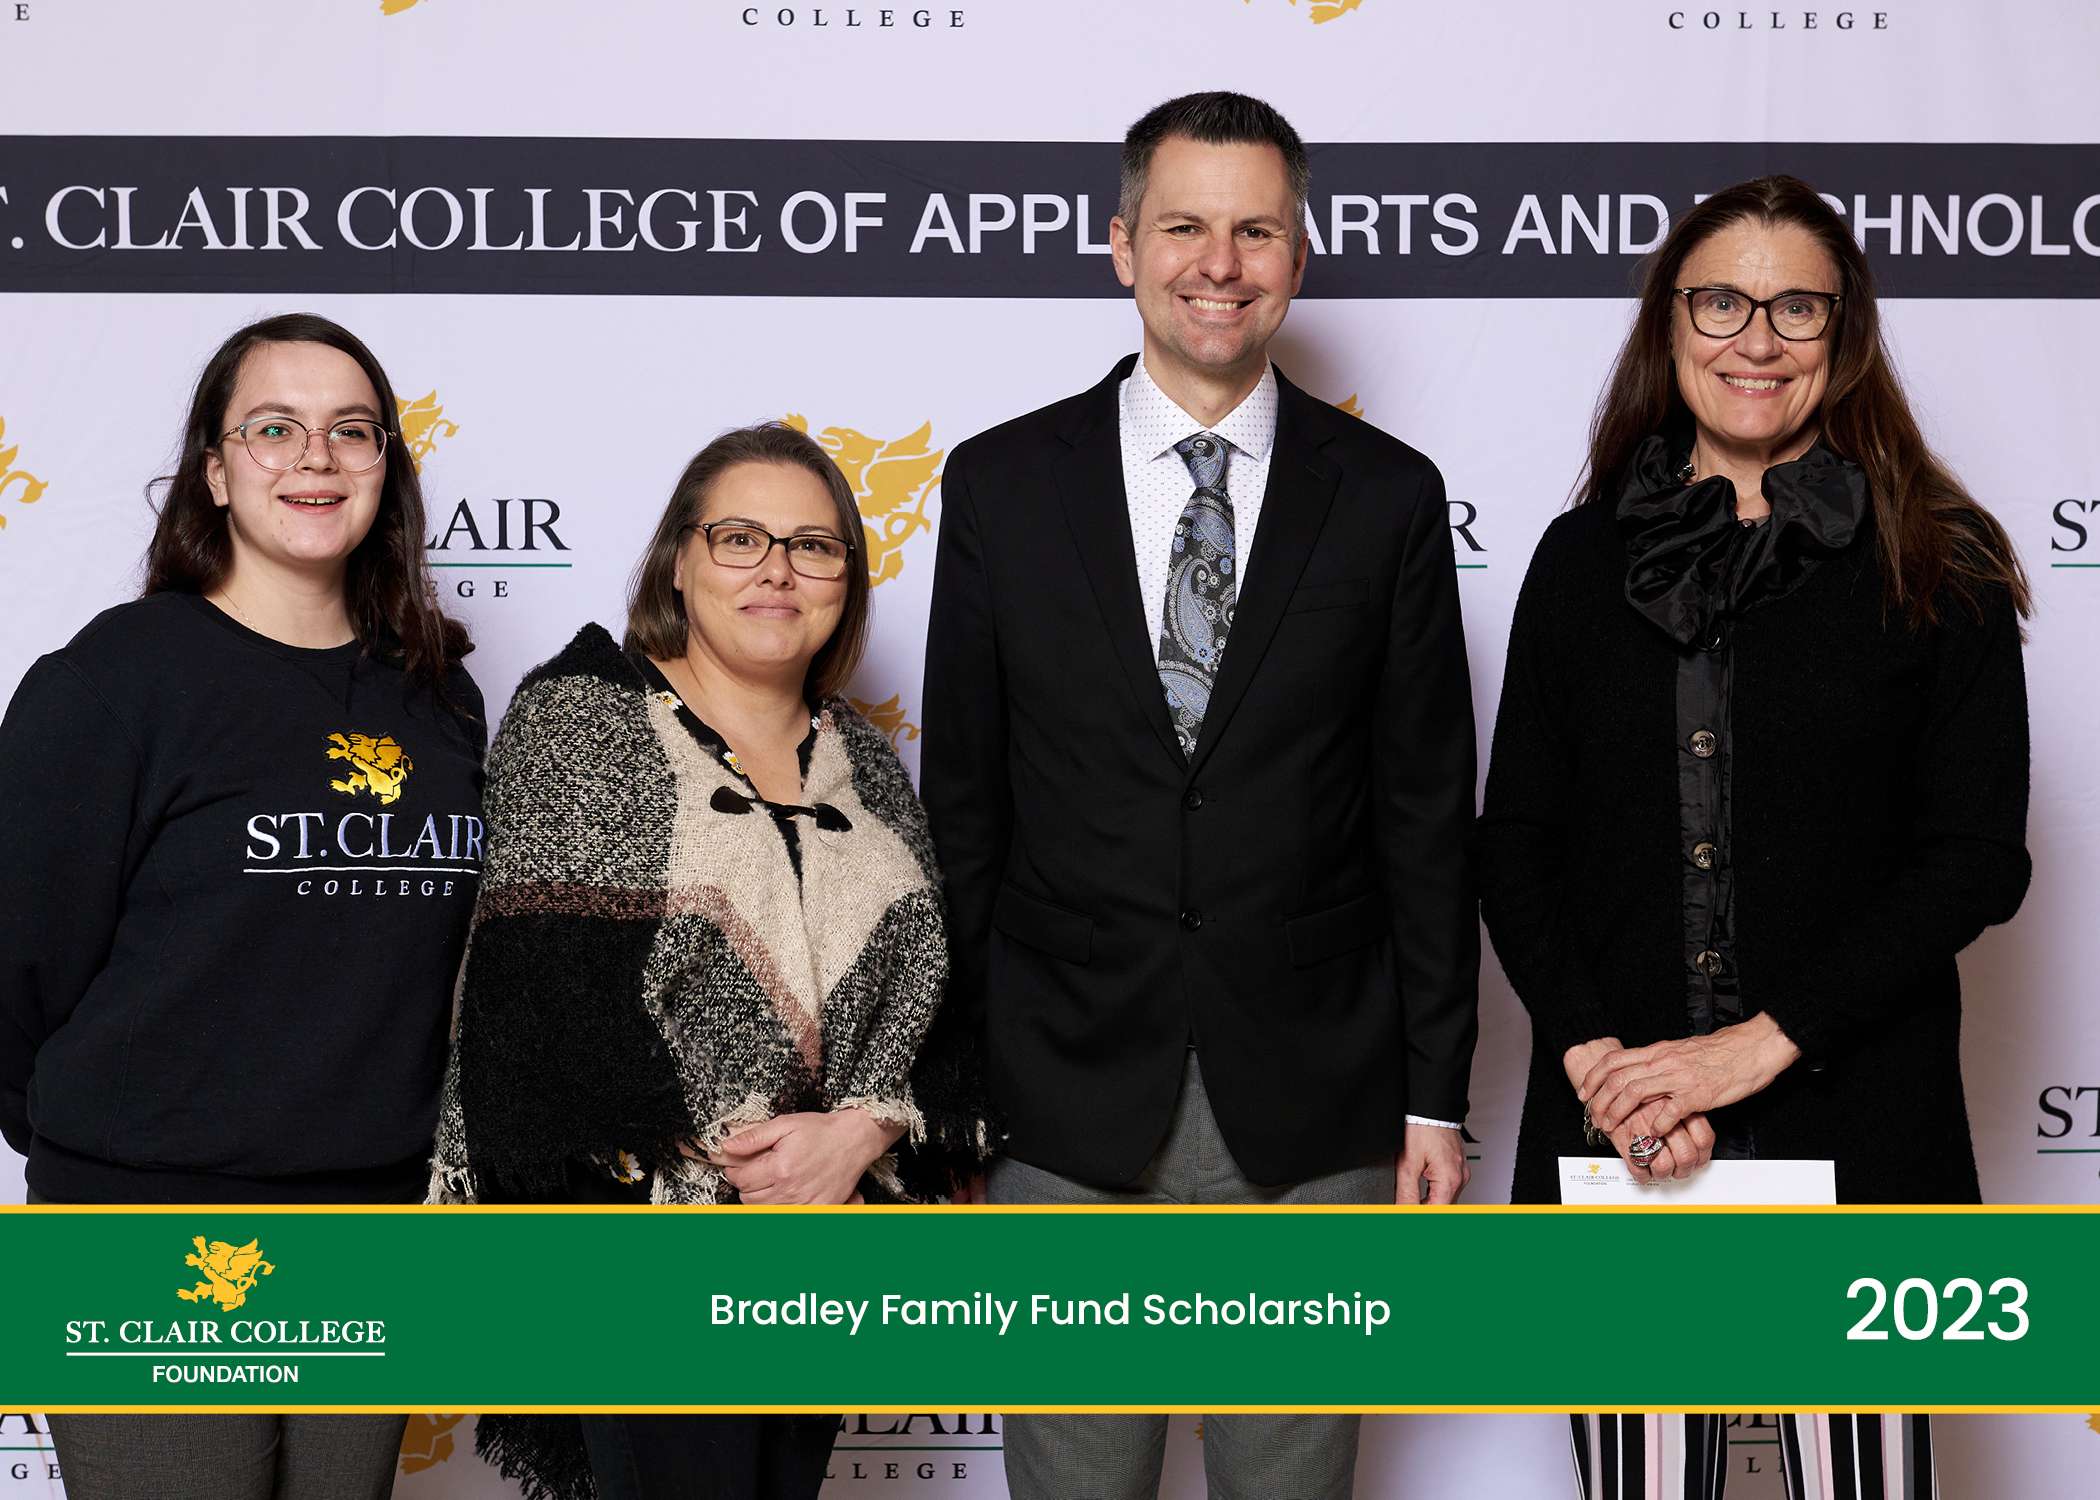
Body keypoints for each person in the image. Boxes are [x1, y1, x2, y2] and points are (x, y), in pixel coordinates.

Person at [921, 91, 1479, 1500]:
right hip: (1059, 1095)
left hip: (1318, 1102)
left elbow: (1425, 818)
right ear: (1123, 246)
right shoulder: (999, 485)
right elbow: (965, 810)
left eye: (1256, 231)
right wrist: (957, 1090)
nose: (1218, 264)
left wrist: (1436, 1100)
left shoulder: (1391, 497)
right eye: (1183, 227)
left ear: (1299, 254)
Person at [1475, 175, 2030, 1499]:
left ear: (1847, 332)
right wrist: (1608, 1070)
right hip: (1626, 1148)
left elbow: (1975, 859)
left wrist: (1755, 1048)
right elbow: (1515, 844)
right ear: (1671, 322)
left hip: (1863, 1134)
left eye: (1797, 308)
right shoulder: (1577, 561)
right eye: (1721, 301)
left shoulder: (1938, 561)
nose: (1757, 339)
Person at [432, 421, 988, 1500]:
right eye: (740, 538)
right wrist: (750, 1159)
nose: (777, 570)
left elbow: (937, 1010)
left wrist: (858, 1134)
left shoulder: (866, 765)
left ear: (845, 582)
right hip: (641, 1251)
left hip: (822, 1250)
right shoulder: (581, 722)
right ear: (678, 564)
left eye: (813, 546)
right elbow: (540, 1013)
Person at [0, 312, 485, 1497]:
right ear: (214, 472)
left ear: (386, 468)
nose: (316, 456)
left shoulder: (438, 696)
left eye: (352, 431)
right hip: (150, 1229)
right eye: (274, 428)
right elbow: (18, 966)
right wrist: (105, 1157)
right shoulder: (115, 681)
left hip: (372, 1224)